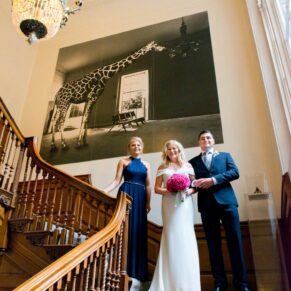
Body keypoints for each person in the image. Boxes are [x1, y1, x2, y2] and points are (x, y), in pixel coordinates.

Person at [189, 130, 250, 291]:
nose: (206, 140)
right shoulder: (192, 162)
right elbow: (191, 183)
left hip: (228, 204)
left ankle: (242, 284)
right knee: (212, 245)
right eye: (202, 138)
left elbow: (234, 172)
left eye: (208, 137)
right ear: (199, 142)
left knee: (235, 243)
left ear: (213, 140)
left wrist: (213, 180)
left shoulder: (225, 156)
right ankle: (220, 283)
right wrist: (190, 184)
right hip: (207, 207)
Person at [149, 140, 201, 291]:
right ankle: (168, 282)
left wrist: (187, 191)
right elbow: (157, 189)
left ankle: (188, 282)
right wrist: (170, 190)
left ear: (179, 150)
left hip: (185, 205)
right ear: (166, 152)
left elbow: (194, 185)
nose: (172, 151)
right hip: (169, 205)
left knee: (186, 236)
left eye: (174, 148)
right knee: (171, 236)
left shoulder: (188, 166)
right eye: (169, 149)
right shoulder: (162, 167)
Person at [103, 136, 151, 289]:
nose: (136, 147)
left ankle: (137, 271)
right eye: (132, 145)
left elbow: (148, 185)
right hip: (126, 194)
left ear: (142, 147)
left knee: (137, 232)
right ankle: (122, 268)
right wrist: (105, 190)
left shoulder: (147, 164)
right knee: (125, 230)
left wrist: (148, 203)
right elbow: (117, 180)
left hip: (140, 197)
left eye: (138, 145)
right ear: (129, 148)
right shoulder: (123, 162)